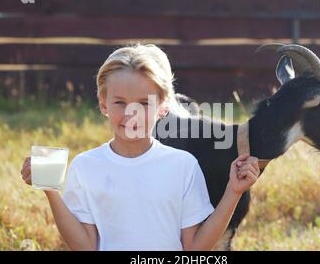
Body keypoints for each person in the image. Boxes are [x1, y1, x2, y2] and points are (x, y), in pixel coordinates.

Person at [20, 44, 260, 251]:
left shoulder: (183, 165)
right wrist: (50, 190)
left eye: (144, 103)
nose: (131, 114)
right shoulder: (85, 166)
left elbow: (194, 248)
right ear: (103, 104)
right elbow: (85, 246)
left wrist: (233, 192)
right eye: (119, 102)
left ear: (163, 107)